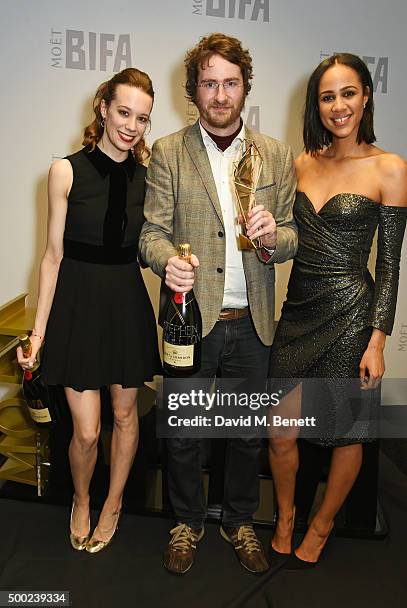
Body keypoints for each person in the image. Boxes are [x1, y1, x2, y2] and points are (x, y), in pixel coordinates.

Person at [139, 33, 297, 575]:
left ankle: (239, 521)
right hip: (190, 320)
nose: (221, 93)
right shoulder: (168, 151)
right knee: (183, 433)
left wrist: (275, 234)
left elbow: (294, 235)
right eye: (210, 83)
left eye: (230, 82)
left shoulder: (274, 154)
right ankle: (187, 522)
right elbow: (150, 234)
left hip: (252, 323)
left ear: (245, 88)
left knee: (247, 434)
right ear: (194, 91)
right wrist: (168, 263)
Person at [268, 53, 407, 569]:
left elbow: (390, 267)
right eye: (328, 96)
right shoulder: (301, 163)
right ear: (317, 105)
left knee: (346, 431)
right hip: (298, 310)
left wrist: (377, 341)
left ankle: (322, 524)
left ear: (366, 95)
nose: (339, 105)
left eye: (348, 93)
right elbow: (283, 240)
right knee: (280, 428)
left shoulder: (389, 168)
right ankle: (285, 517)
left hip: (352, 315)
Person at [17, 68, 162, 553]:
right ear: (102, 107)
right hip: (77, 306)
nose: (132, 126)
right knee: (86, 430)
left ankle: (114, 502)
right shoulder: (66, 169)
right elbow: (52, 256)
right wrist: (37, 334)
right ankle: (81, 498)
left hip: (125, 304)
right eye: (124, 112)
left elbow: (153, 245)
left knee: (125, 417)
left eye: (142, 118)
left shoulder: (151, 177)